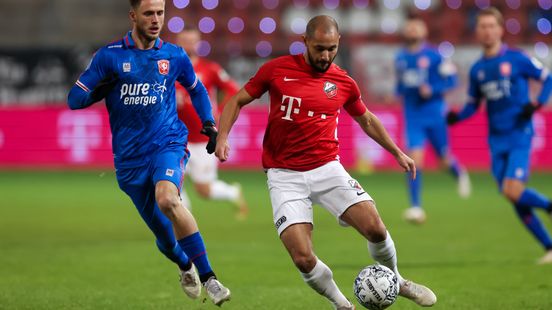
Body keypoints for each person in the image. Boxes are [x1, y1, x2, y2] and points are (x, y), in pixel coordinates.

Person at [215, 15, 437, 309]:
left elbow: (367, 119)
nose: (325, 55)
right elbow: (237, 100)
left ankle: (396, 280)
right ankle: (341, 304)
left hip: (327, 169)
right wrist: (222, 137)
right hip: (284, 176)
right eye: (319, 48)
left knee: (376, 229)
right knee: (303, 258)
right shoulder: (276, 70)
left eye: (331, 48)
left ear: (338, 43)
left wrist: (397, 152)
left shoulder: (343, 81)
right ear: (305, 42)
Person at [67, 0, 231, 305]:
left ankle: (210, 278)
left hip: (167, 143)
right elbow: (74, 99)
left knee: (168, 199)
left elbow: (196, 89)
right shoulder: (109, 57)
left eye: (160, 13)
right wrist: (102, 87)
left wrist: (208, 122)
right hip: (129, 161)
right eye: (149, 13)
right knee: (166, 239)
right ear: (133, 16)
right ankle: (184, 265)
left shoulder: (174, 55)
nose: (156, 20)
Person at [447, 7, 552, 264]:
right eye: (482, 26)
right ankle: (549, 246)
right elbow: (474, 105)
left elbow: (547, 78)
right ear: (477, 31)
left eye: (491, 26)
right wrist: (456, 117)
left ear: (501, 29)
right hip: (496, 140)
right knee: (511, 195)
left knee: (512, 189)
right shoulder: (478, 70)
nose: (487, 31)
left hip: (519, 132)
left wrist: (538, 104)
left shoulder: (517, 58)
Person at [395, 17, 471, 224]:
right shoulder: (400, 57)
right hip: (413, 116)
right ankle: (416, 206)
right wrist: (397, 92)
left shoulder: (435, 56)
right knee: (414, 161)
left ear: (423, 31)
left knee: (443, 160)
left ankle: (458, 173)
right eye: (409, 27)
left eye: (415, 27)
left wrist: (433, 90)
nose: (412, 30)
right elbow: (400, 85)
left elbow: (452, 80)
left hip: (435, 113)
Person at [174, 26, 248, 219]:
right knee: (172, 183)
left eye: (192, 40)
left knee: (204, 190)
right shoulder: (170, 69)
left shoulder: (210, 69)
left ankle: (233, 192)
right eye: (185, 40)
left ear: (198, 43)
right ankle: (184, 224)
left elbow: (233, 89)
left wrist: (220, 112)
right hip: (175, 138)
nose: (188, 44)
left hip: (203, 140)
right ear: (178, 42)